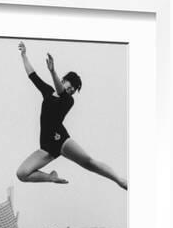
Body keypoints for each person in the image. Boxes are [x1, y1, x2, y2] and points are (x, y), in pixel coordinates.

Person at [16, 42, 127, 190]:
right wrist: (24, 55)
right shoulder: (48, 92)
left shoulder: (68, 100)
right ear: (63, 80)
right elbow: (32, 75)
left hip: (61, 140)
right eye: (70, 84)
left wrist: (52, 71)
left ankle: (120, 180)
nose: (71, 89)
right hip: (46, 147)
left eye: (73, 89)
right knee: (22, 174)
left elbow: (61, 91)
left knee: (89, 162)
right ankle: (51, 177)